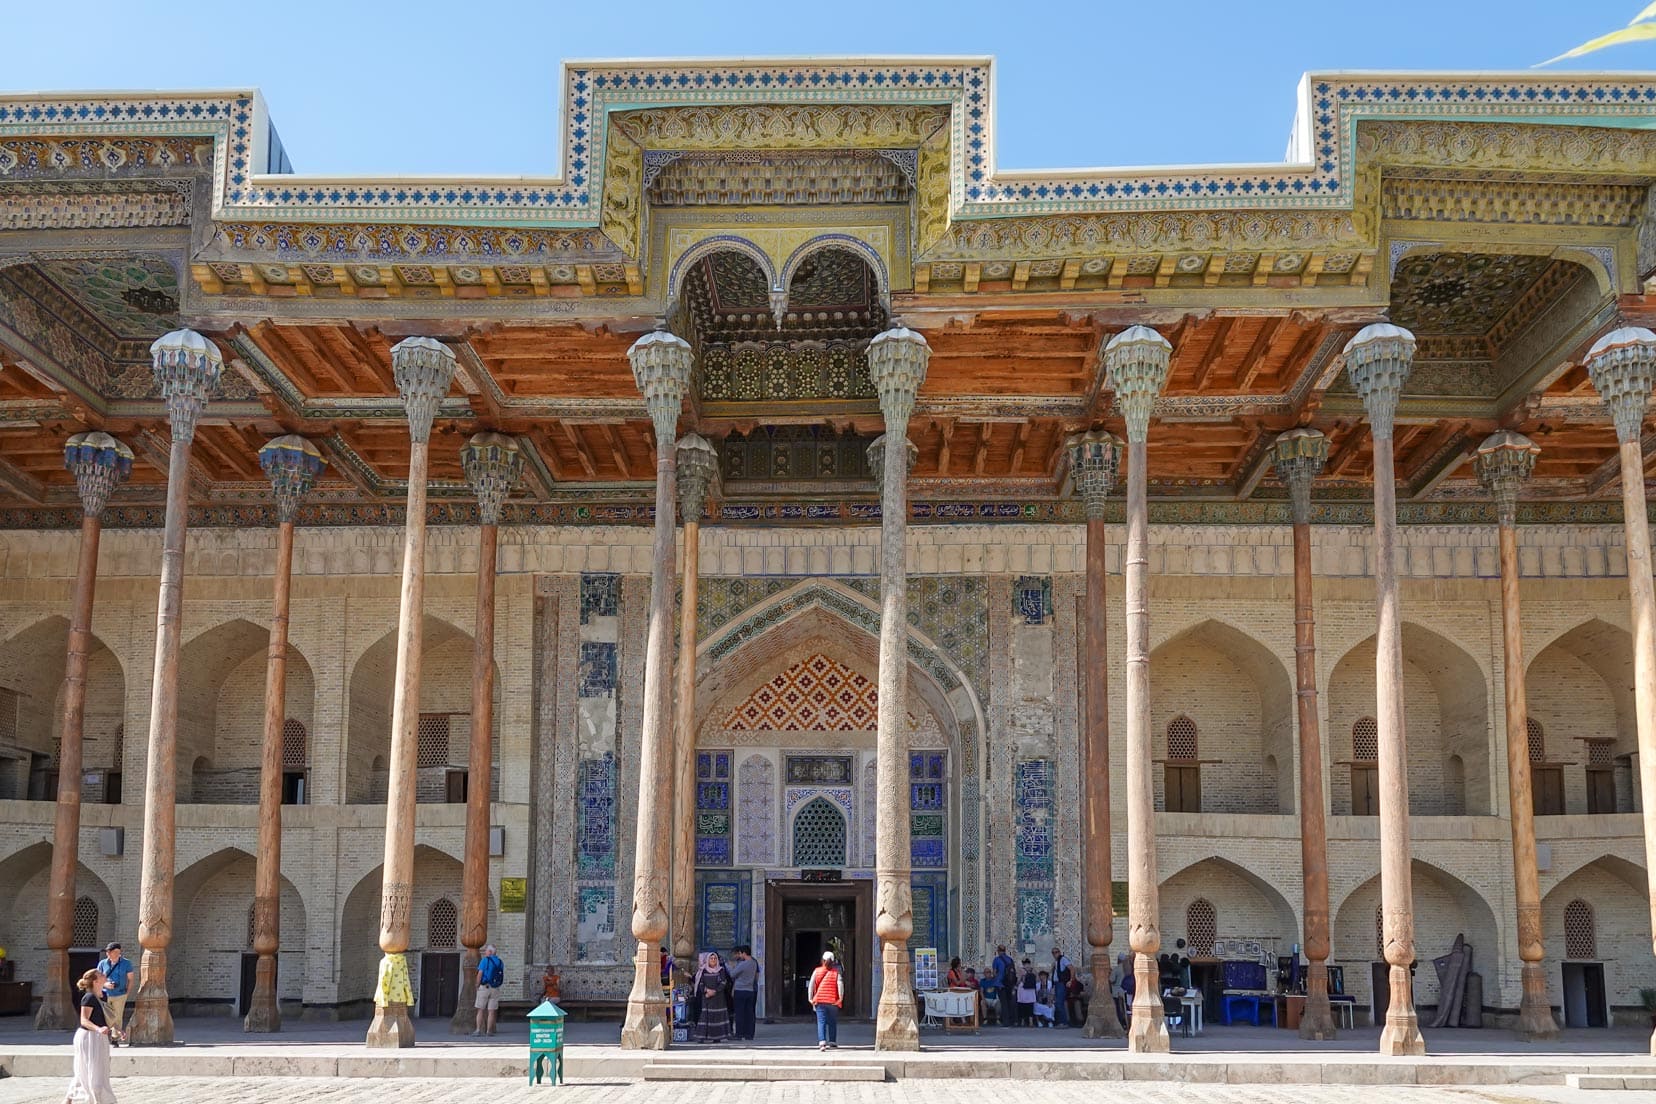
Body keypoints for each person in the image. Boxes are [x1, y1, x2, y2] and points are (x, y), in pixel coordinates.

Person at [63, 967, 116, 1104]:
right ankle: (94, 1099)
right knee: (87, 1070)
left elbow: (105, 1017)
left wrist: (116, 1028)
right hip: (88, 1037)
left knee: (98, 1071)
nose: (104, 974)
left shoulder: (103, 995)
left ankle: (69, 1099)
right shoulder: (89, 997)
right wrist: (98, 1029)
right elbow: (84, 1020)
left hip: (99, 1037)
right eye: (100, 974)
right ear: (95, 981)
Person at [95, 943, 132, 1045]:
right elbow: (97, 978)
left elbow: (130, 979)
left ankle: (115, 1038)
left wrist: (127, 993)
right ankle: (105, 1034)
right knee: (106, 1015)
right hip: (105, 994)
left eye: (116, 952)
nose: (110, 954)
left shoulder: (126, 963)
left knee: (117, 1016)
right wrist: (105, 985)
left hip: (120, 994)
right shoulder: (102, 963)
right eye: (109, 952)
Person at [691, 951, 732, 1043]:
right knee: (705, 1016)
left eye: (715, 958)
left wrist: (715, 991)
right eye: (711, 958)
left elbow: (723, 982)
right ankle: (702, 1037)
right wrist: (707, 990)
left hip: (718, 998)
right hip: (707, 997)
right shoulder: (704, 970)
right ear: (708, 960)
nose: (713, 960)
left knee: (717, 1017)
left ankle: (717, 1037)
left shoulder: (721, 970)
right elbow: (701, 983)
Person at [807, 950, 842, 1052]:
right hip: (832, 1001)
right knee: (832, 1021)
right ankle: (832, 1041)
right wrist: (840, 998)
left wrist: (810, 998)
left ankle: (822, 1043)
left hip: (820, 1000)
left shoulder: (817, 971)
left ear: (823, 960)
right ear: (833, 961)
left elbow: (811, 984)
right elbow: (840, 985)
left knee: (821, 1022)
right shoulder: (836, 972)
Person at [471, 943, 504, 1036]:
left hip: (485, 987)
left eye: (486, 950)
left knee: (480, 1009)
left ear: (489, 952)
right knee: (491, 1011)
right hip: (495, 988)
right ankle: (489, 1031)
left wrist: (477, 985)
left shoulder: (485, 960)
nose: (485, 952)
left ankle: (478, 1030)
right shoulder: (500, 962)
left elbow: (480, 973)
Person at [727, 945, 759, 1041]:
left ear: (744, 953)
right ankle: (749, 1034)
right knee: (749, 1013)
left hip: (740, 991)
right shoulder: (754, 963)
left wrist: (729, 967)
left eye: (740, 953)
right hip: (750, 991)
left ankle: (739, 1034)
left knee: (740, 1013)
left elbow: (732, 974)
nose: (740, 955)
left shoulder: (743, 964)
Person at [990, 944, 1016, 1028]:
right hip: (1009, 984)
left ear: (998, 951)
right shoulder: (1010, 959)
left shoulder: (996, 960)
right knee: (1009, 1002)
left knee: (1003, 1003)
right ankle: (1012, 1020)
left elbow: (994, 973)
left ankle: (1006, 1022)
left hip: (1000, 984)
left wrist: (995, 978)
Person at [1050, 946, 1073, 1028]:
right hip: (1057, 984)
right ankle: (1062, 1022)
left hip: (1061, 983)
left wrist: (1070, 980)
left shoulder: (1063, 959)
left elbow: (1071, 968)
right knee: (1058, 1003)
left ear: (1059, 952)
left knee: (1059, 1003)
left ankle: (1063, 1022)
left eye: (1056, 952)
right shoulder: (1056, 962)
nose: (1054, 954)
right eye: (1053, 952)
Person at [1016, 957, 1037, 1027]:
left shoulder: (1023, 970)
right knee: (1027, 1005)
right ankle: (1028, 1021)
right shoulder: (1032, 970)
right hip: (1027, 989)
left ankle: (1025, 1021)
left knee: (1025, 1005)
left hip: (1025, 989)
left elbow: (1018, 981)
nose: (1027, 965)